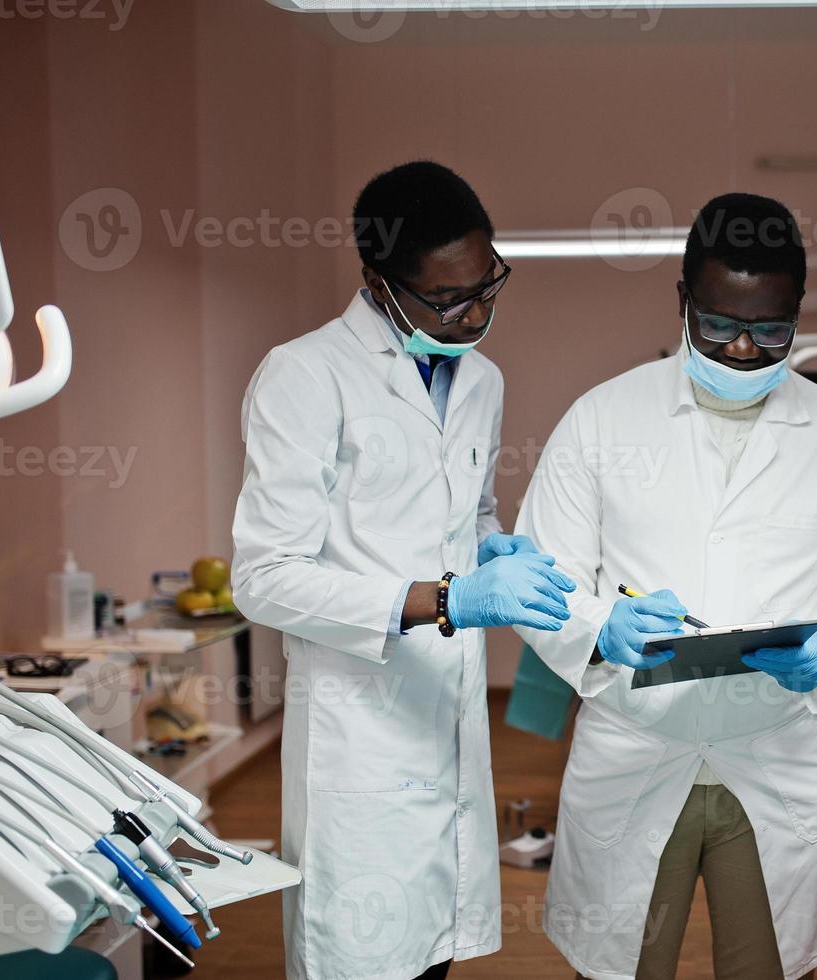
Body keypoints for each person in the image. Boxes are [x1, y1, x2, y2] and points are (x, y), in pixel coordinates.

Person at [514, 193, 817, 980]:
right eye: (718, 325)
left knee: (764, 967)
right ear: (683, 303)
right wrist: (600, 628)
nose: (740, 351)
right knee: (626, 964)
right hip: (635, 740)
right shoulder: (600, 420)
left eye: (769, 331)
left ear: (797, 313)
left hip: (776, 750)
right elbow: (543, 578)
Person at [232, 161, 575, 980]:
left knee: (434, 956)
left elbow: (468, 511)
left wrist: (499, 547)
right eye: (448, 299)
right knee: (363, 955)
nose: (476, 312)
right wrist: (447, 597)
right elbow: (265, 576)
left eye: (488, 285)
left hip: (446, 709)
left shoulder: (480, 379)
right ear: (378, 285)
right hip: (359, 728)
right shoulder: (304, 375)